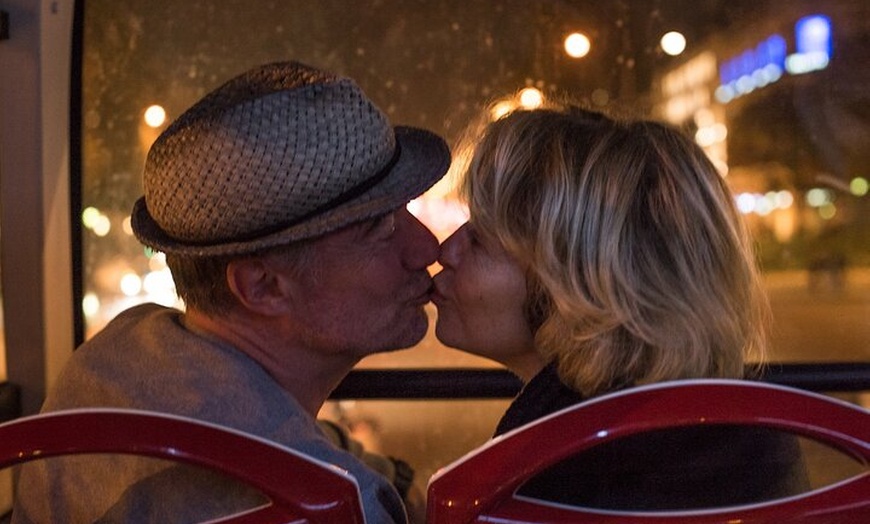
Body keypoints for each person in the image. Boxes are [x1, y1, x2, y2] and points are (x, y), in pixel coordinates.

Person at [13, 61, 449, 523]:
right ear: (262, 287)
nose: (427, 246)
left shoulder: (117, 353)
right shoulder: (331, 503)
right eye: (380, 228)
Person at [432, 104, 809, 510]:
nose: (445, 249)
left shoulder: (567, 472)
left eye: (479, 238)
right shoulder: (743, 438)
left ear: (574, 282)